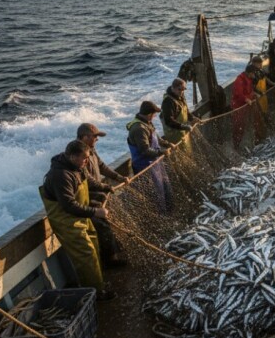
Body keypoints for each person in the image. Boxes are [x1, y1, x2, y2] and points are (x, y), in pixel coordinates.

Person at [39, 140, 114, 299]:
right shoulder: (61, 175)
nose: (87, 161)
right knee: (85, 255)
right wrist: (95, 211)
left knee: (93, 248)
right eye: (84, 158)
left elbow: (89, 181)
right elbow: (68, 205)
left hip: (81, 217)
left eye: (87, 158)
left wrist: (104, 187)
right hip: (68, 222)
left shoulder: (77, 167)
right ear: (72, 157)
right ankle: (95, 293)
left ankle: (98, 284)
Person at [77, 123, 128, 268]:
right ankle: (110, 260)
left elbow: (102, 167)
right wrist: (105, 186)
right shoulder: (78, 153)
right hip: (88, 199)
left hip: (98, 196)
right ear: (85, 137)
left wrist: (119, 177)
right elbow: (87, 178)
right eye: (95, 137)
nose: (97, 140)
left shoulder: (91, 150)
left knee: (108, 223)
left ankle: (114, 249)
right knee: (103, 227)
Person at [126, 101, 174, 212]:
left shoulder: (147, 123)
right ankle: (160, 215)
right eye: (154, 114)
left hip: (155, 163)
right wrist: (161, 152)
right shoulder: (139, 129)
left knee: (163, 188)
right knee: (154, 193)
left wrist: (167, 144)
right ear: (149, 114)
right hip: (144, 166)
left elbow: (156, 138)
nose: (154, 116)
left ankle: (167, 211)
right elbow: (145, 150)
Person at [232, 57, 264, 149]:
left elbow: (250, 90)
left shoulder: (249, 79)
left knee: (255, 121)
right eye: (254, 74)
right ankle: (236, 145)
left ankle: (256, 140)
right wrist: (247, 99)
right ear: (250, 73)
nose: (255, 76)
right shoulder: (239, 80)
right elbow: (239, 94)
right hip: (239, 107)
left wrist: (255, 94)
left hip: (248, 105)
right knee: (239, 126)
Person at [160, 78, 200, 145]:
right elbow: (168, 121)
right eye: (179, 89)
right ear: (173, 88)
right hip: (174, 136)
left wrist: (193, 118)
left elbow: (186, 112)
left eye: (183, 89)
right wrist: (183, 126)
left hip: (183, 132)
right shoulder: (168, 101)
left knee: (188, 151)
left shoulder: (180, 96)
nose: (182, 91)